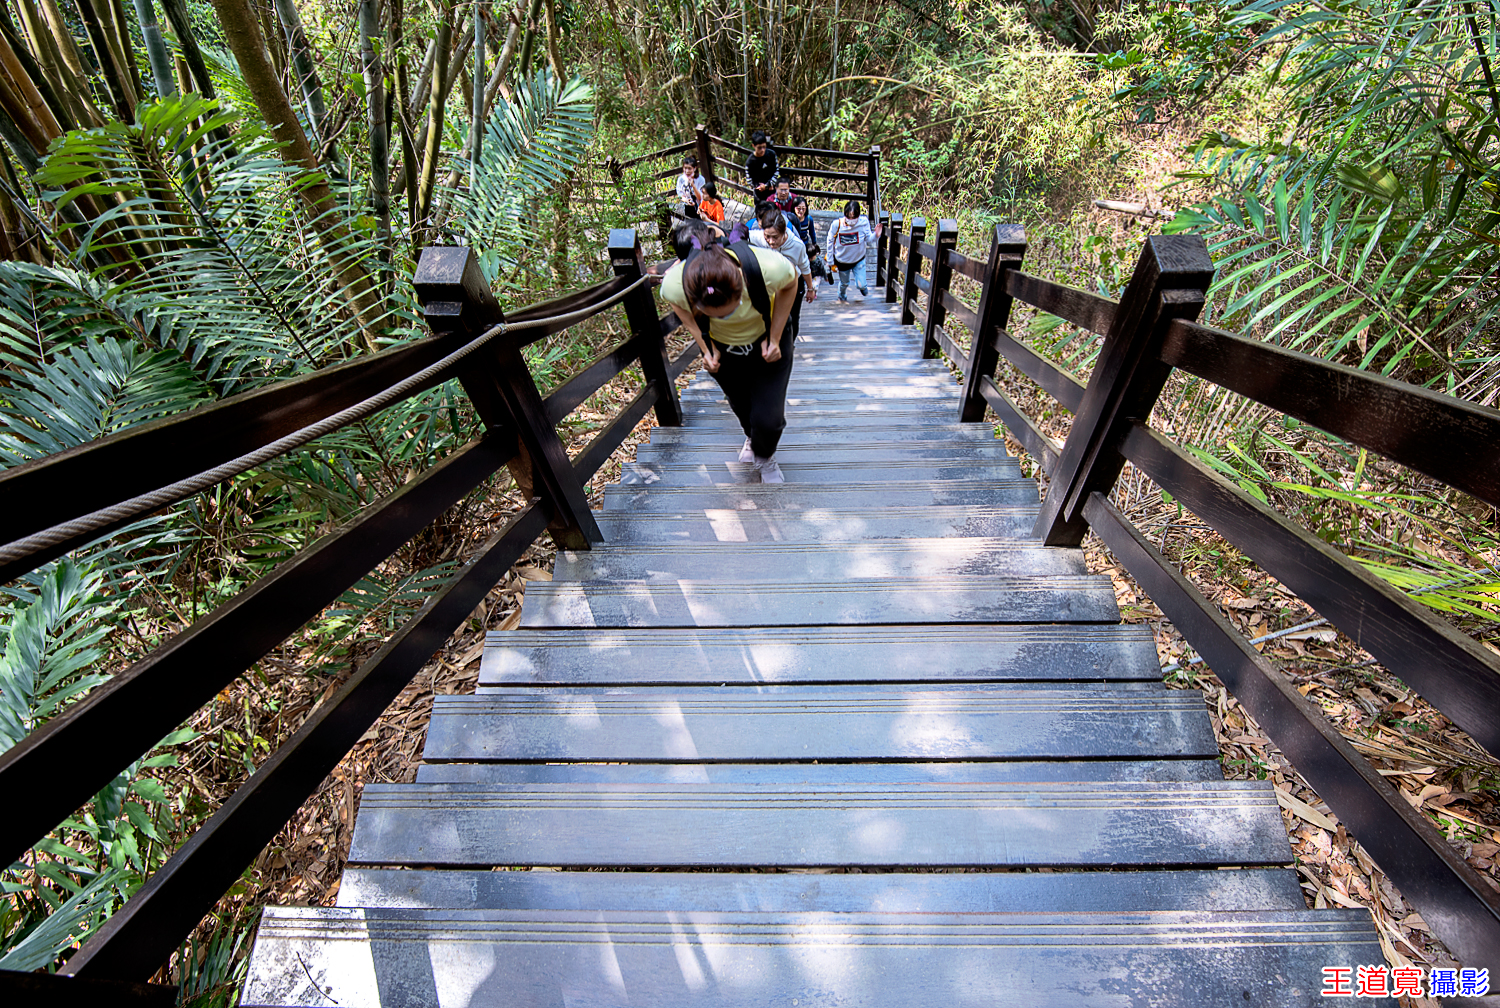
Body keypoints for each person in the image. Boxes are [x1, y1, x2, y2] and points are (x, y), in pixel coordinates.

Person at [660, 222, 798, 483]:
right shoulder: (675, 284)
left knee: (769, 419)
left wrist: (776, 338)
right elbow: (677, 305)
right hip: (722, 349)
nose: (725, 317)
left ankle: (764, 456)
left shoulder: (766, 266)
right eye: (715, 315)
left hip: (767, 342)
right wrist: (705, 348)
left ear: (740, 287)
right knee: (741, 404)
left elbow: (791, 281)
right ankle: (752, 438)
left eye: (730, 311)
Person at [749, 204, 816, 342]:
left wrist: (810, 289)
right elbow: (738, 235)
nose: (771, 242)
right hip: (770, 285)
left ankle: (789, 344)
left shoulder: (797, 245)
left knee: (791, 317)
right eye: (767, 236)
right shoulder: (758, 237)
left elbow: (805, 268)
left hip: (792, 284)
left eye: (775, 237)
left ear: (784, 230)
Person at [825, 200, 882, 302]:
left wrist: (876, 235)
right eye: (848, 217)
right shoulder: (836, 225)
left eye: (854, 217)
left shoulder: (863, 222)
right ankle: (841, 295)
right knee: (844, 283)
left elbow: (868, 238)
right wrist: (830, 261)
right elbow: (830, 241)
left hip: (858, 259)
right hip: (842, 260)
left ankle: (862, 287)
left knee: (861, 284)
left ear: (858, 216)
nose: (851, 220)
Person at [786, 197, 824, 278]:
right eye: (798, 208)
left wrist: (814, 243)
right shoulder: (790, 219)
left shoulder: (809, 219)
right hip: (794, 244)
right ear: (794, 208)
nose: (801, 211)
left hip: (805, 243)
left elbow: (812, 232)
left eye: (803, 208)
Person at [744, 130, 780, 201]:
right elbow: (749, 179)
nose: (762, 150)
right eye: (759, 147)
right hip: (759, 193)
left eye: (764, 147)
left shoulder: (771, 155)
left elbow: (776, 171)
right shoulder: (750, 161)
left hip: (772, 191)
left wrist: (767, 185)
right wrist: (759, 186)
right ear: (753, 146)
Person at [675, 155, 705, 219]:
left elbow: (700, 197)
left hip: (700, 206)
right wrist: (686, 200)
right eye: (685, 168)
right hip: (687, 206)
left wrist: (693, 185)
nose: (687, 171)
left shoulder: (700, 179)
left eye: (689, 168)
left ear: (695, 168)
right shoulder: (681, 179)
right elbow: (680, 195)